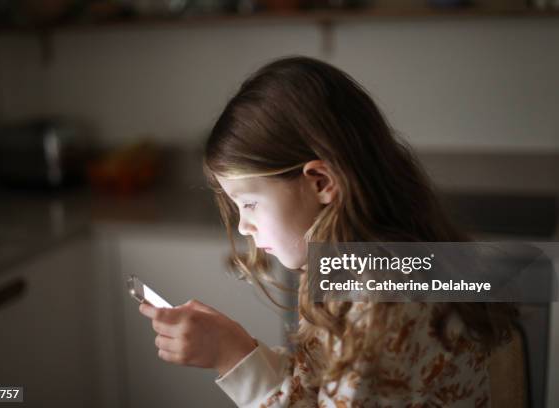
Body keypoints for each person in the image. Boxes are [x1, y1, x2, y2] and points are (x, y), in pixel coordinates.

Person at [138, 56, 516, 407]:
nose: (243, 225)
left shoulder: (381, 301)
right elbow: (316, 392)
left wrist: (229, 353)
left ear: (320, 181)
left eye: (249, 203)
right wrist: (234, 350)